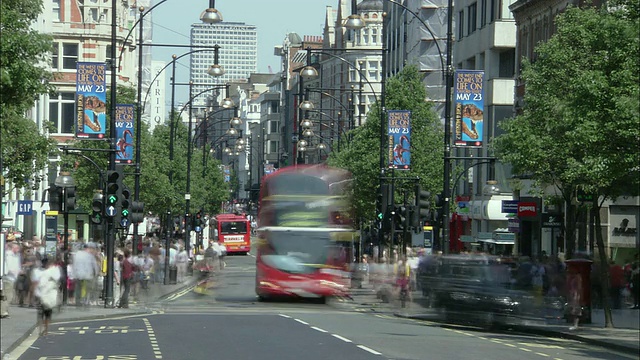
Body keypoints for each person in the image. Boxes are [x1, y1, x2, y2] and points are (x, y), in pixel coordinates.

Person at [35, 257, 61, 336]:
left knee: (46, 314)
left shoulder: (54, 271)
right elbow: (38, 283)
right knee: (42, 314)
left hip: (49, 296)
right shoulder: (41, 272)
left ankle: (45, 330)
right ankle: (42, 329)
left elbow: (57, 279)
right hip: (43, 295)